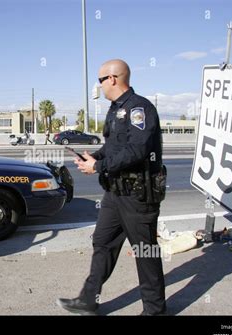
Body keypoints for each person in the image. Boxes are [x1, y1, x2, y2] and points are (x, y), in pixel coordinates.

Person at [57, 59, 167, 315]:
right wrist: (94, 157)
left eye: (100, 80)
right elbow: (113, 148)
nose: (99, 86)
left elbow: (138, 150)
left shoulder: (140, 108)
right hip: (114, 193)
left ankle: (155, 311)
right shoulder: (114, 109)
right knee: (103, 243)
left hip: (138, 195)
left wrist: (97, 167)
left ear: (113, 79)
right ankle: (87, 299)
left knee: (145, 252)